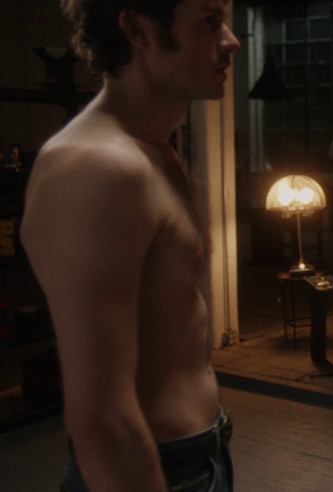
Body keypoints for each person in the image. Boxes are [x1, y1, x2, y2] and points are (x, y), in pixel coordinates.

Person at [20, 0, 240, 490]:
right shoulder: (97, 166)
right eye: (210, 22)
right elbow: (99, 419)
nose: (232, 41)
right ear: (138, 29)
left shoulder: (153, 150)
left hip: (200, 460)